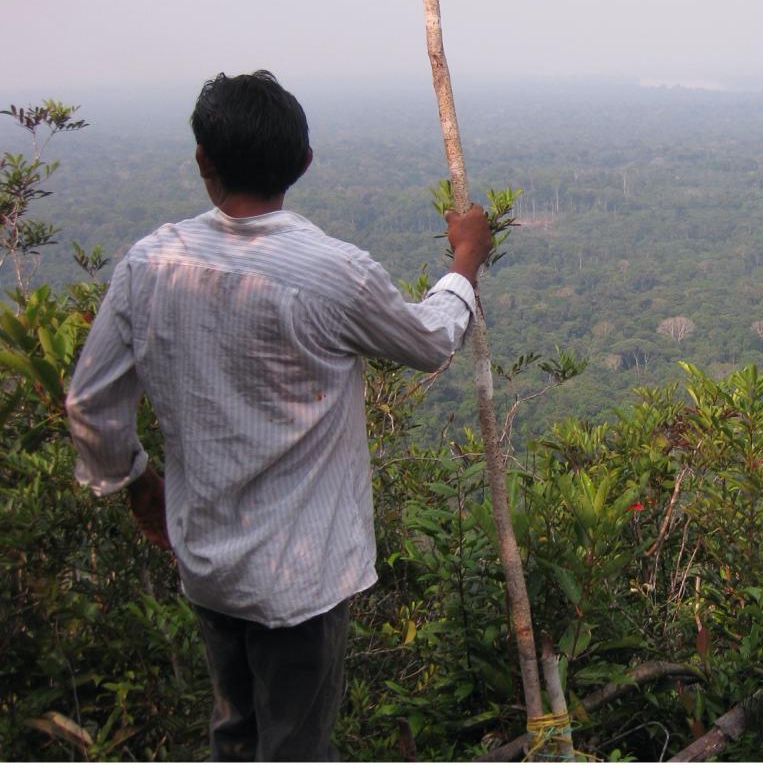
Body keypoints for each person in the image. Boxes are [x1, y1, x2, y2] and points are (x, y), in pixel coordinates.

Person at [65, 70, 492, 760]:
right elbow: (429, 340)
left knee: (235, 728)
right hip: (302, 578)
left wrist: (138, 485)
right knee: (294, 744)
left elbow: (89, 404)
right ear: (303, 162)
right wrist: (466, 259)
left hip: (206, 561)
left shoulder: (151, 264)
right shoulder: (332, 272)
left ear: (203, 160)